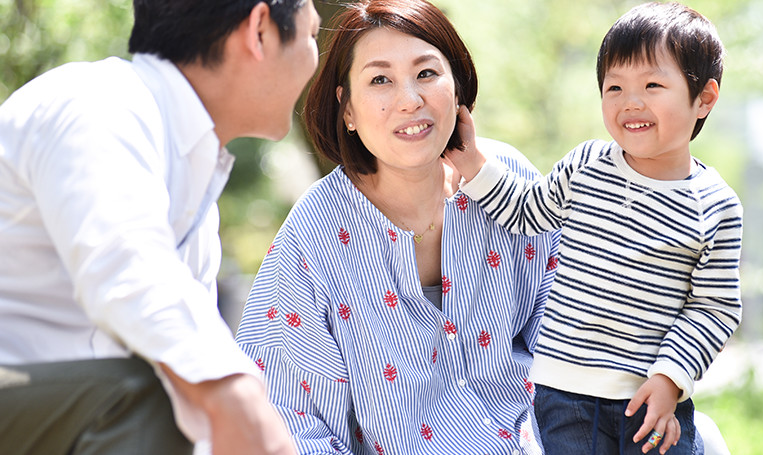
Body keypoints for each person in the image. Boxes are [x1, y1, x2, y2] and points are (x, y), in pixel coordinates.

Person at [234, 1, 559, 454]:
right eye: (380, 79)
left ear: (457, 87)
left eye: (427, 73)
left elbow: (571, 330)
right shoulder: (316, 235)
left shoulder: (505, 178)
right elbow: (285, 418)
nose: (410, 100)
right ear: (346, 109)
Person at [0, 1, 321, 454]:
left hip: (51, 411)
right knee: (155, 394)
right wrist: (237, 392)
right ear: (260, 31)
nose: (315, 59)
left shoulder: (196, 187)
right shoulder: (101, 105)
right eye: (311, 35)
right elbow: (126, 269)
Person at [445, 2, 743, 454]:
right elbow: (528, 211)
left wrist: (670, 379)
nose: (630, 102)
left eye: (653, 85)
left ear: (704, 97)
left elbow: (713, 309)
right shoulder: (586, 165)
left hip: (651, 399)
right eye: (614, 87)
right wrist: (472, 164)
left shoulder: (715, 205)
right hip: (564, 394)